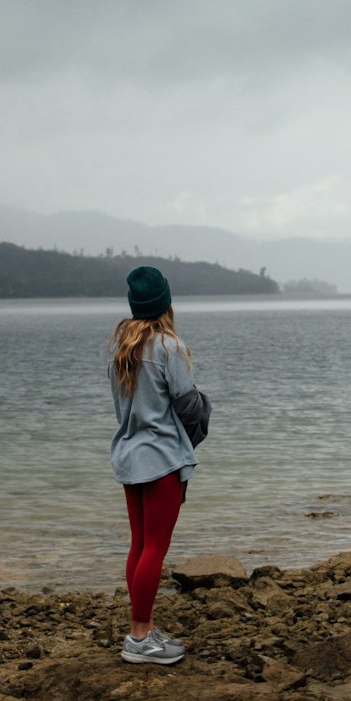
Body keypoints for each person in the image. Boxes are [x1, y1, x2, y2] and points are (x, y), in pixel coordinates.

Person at [108, 265, 211, 666]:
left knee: (139, 544)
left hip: (130, 456)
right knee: (156, 547)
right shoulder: (169, 347)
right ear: (166, 302)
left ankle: (143, 630)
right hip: (163, 458)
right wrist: (205, 413)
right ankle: (139, 637)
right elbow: (187, 405)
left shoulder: (123, 350)